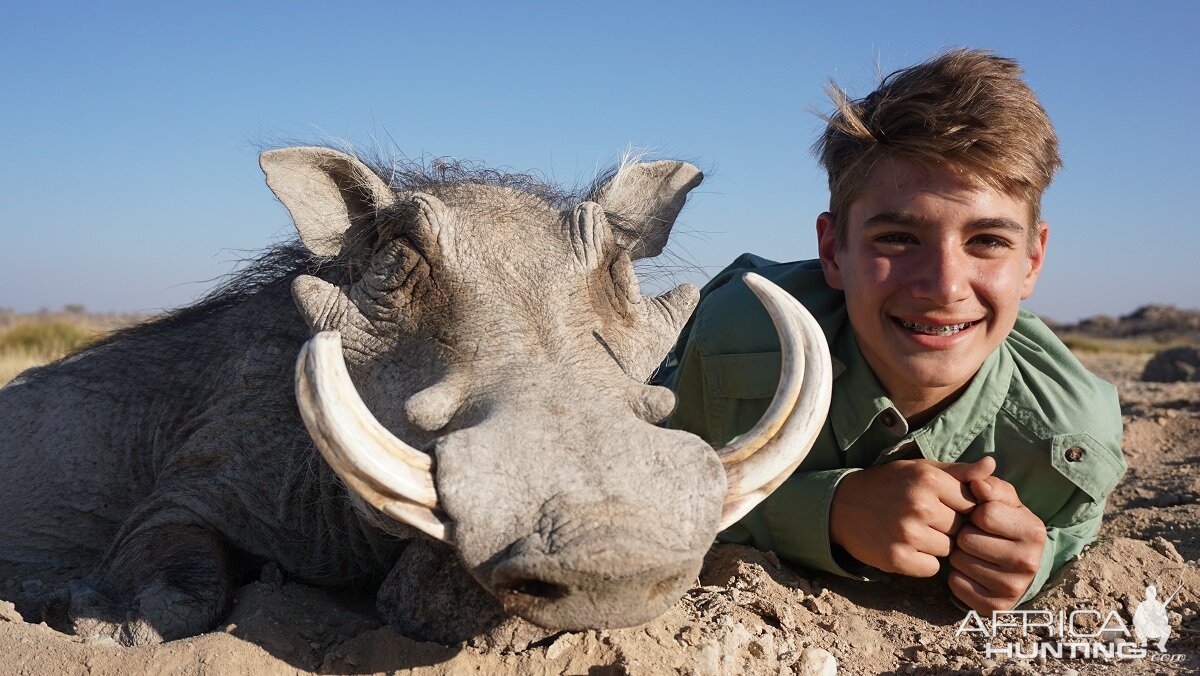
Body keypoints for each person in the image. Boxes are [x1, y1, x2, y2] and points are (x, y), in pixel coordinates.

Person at [660, 49, 1126, 613]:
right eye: (898, 238)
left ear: (1031, 260)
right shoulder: (736, 332)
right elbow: (641, 488)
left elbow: (1071, 541)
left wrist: (1031, 563)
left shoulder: (1069, 437)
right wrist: (828, 511)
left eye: (988, 241)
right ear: (833, 251)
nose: (944, 286)